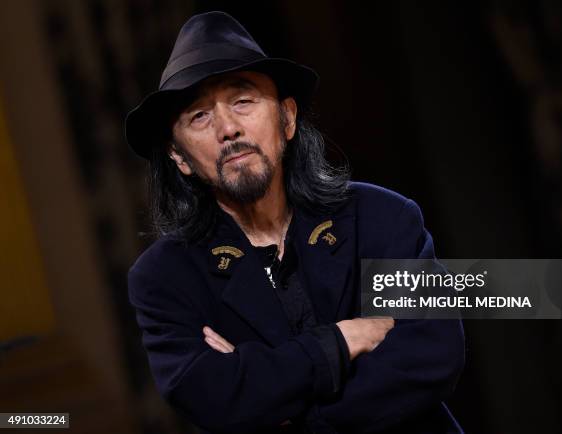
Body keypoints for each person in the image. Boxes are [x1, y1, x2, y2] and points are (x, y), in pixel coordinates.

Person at [125, 11, 464, 434]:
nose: (228, 128)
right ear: (179, 157)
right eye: (200, 117)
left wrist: (287, 412)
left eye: (243, 100)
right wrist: (341, 341)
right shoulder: (164, 279)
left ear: (287, 119)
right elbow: (217, 399)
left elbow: (432, 355)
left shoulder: (382, 218)